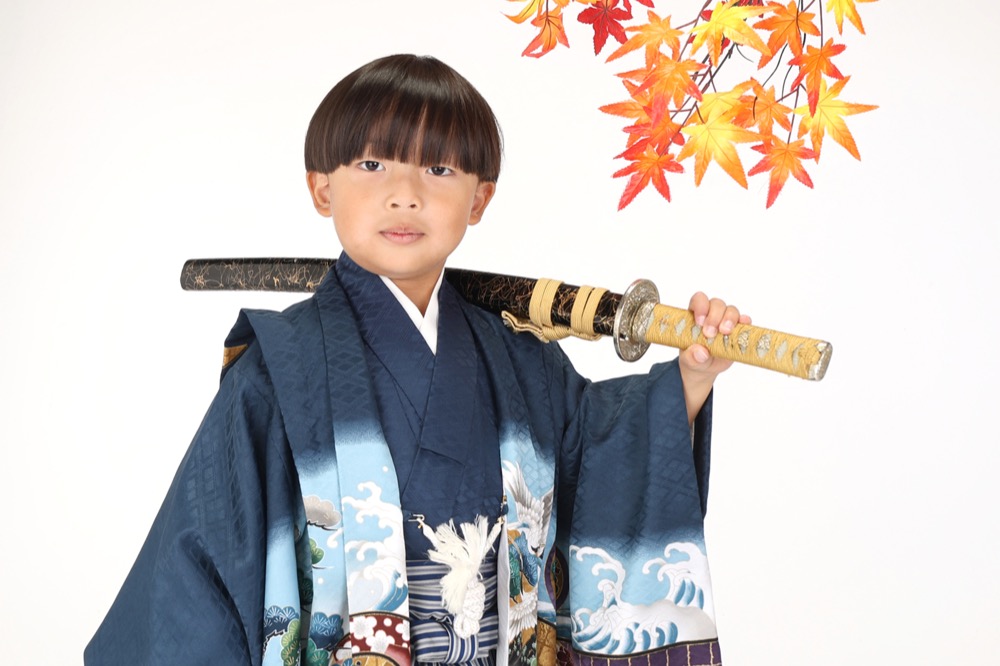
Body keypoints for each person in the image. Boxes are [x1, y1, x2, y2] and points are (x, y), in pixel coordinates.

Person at [85, 54, 748, 666]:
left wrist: (690, 377)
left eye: (439, 170)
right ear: (322, 188)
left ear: (479, 199)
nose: (404, 194)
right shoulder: (280, 374)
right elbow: (199, 558)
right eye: (373, 165)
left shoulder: (523, 363)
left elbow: (606, 458)